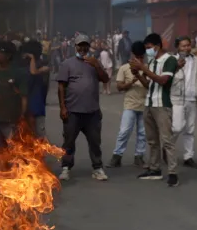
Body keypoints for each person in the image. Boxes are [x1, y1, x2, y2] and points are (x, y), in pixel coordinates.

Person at [56, 34, 109, 181]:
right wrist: (62, 107)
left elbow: (105, 79)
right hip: (72, 111)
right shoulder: (67, 64)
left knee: (95, 142)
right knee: (68, 141)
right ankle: (66, 167)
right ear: (75, 47)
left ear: (89, 47)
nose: (83, 48)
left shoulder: (94, 63)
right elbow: (61, 87)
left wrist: (96, 65)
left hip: (92, 111)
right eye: (80, 45)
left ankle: (97, 168)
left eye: (85, 45)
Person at [129, 33, 179, 186]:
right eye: (146, 48)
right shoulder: (151, 62)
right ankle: (155, 168)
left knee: (167, 140)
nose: (147, 50)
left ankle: (173, 173)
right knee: (152, 140)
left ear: (157, 46)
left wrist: (143, 68)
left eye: (149, 47)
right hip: (149, 103)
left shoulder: (170, 60)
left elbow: (163, 81)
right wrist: (138, 74)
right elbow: (148, 84)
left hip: (162, 105)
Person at [108, 41, 148, 168]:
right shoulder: (124, 68)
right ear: (132, 55)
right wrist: (131, 82)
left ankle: (139, 156)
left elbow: (149, 85)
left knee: (143, 133)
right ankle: (117, 156)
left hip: (145, 104)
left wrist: (141, 74)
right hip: (130, 104)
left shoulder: (147, 68)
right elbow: (119, 87)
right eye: (137, 57)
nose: (139, 60)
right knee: (124, 131)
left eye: (141, 57)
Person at [171, 36, 197, 170]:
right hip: (177, 98)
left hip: (192, 98)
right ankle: (168, 148)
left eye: (188, 45)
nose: (186, 48)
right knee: (176, 127)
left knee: (190, 129)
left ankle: (188, 157)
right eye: (183, 46)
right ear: (177, 47)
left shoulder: (196, 60)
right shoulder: (172, 60)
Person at [0, 41, 28, 147]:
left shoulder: (19, 73)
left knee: (14, 151)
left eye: (0, 52)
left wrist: (22, 116)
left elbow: (24, 97)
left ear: (9, 55)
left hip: (11, 120)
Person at [22, 40, 50, 139]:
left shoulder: (43, 66)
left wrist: (32, 58)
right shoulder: (23, 67)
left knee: (39, 136)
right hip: (27, 106)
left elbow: (33, 72)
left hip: (36, 106)